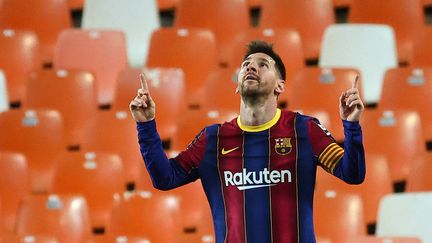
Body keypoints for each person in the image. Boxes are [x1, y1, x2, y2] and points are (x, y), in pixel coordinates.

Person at [130, 41, 366, 243]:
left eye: (263, 64)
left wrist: (351, 126)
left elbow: (353, 174)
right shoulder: (212, 139)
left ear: (280, 85)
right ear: (238, 85)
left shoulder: (303, 130)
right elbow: (164, 178)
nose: (251, 67)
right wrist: (146, 125)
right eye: (246, 65)